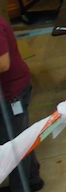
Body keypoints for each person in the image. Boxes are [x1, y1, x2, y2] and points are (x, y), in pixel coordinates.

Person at [0, 14, 41, 190]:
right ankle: (32, 178)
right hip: (12, 90)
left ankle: (21, 187)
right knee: (19, 137)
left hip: (12, 92)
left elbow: (3, 64)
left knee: (13, 143)